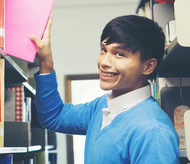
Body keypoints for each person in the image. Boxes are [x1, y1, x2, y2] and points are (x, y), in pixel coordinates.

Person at [29, 13, 180, 164]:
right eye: (103, 50)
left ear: (148, 66)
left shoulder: (154, 131)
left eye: (119, 54)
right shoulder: (102, 106)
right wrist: (46, 64)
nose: (104, 62)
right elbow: (54, 117)